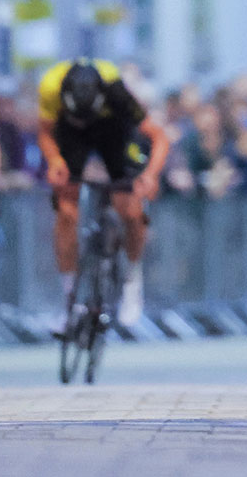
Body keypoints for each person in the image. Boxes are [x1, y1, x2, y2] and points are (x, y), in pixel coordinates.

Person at [36, 58, 169, 330]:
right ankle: (69, 297)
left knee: (131, 209)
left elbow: (159, 137)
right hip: (70, 134)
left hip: (113, 130)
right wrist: (54, 160)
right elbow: (45, 132)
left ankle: (132, 279)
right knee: (65, 209)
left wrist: (150, 175)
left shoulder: (115, 90)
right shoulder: (50, 86)